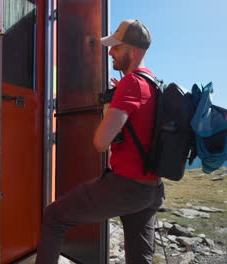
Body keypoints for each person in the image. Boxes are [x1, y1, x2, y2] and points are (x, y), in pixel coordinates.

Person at [36, 19, 164, 264]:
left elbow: (101, 142)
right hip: (152, 189)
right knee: (140, 259)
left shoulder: (130, 84)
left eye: (117, 47)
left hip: (125, 186)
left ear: (134, 51)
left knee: (54, 216)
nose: (110, 51)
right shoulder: (154, 85)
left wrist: (110, 107)